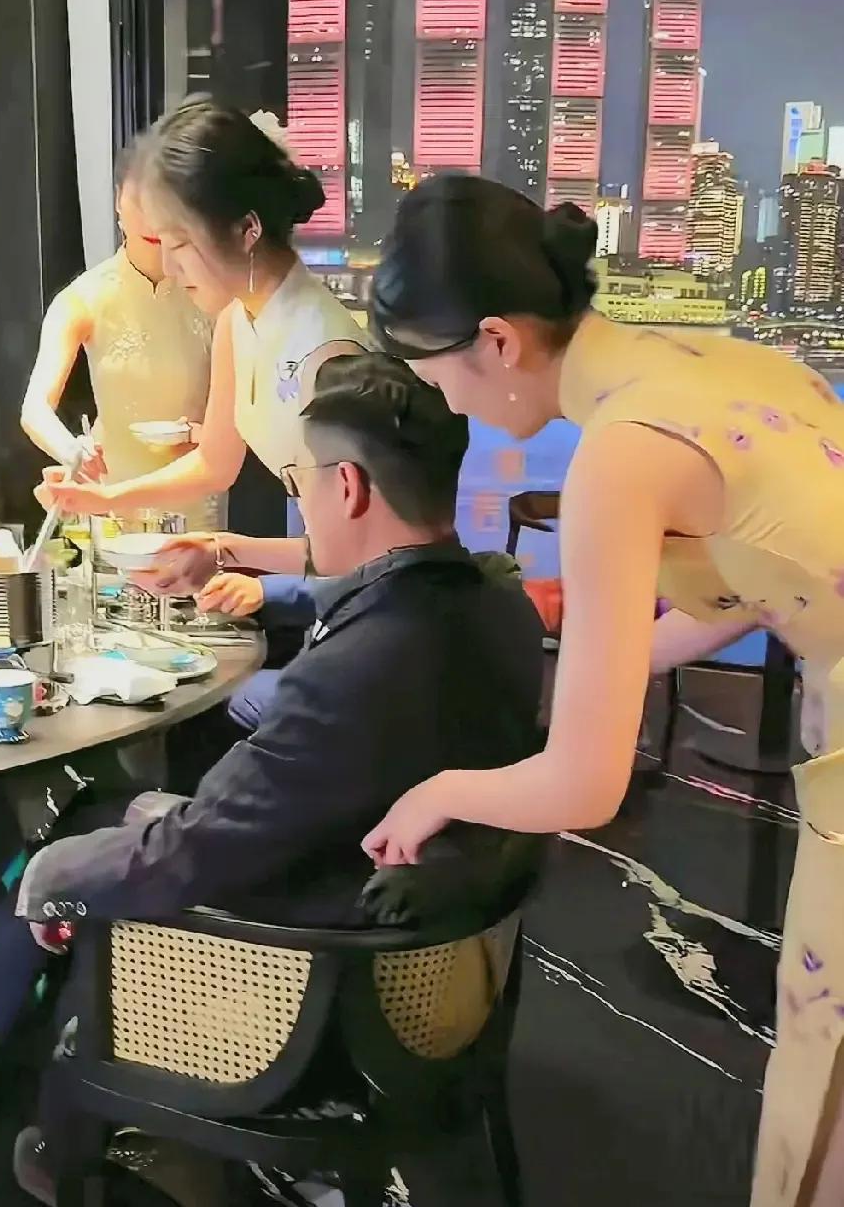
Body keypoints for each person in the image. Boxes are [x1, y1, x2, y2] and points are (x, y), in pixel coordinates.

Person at [359, 172, 844, 1207]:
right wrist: (605, 669)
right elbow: (764, 579)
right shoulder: (721, 362)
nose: (446, 403)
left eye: (436, 374)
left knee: (832, 1068)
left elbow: (585, 788)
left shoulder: (621, 454)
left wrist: (439, 791)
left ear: (497, 342)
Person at [0, 355, 545, 1119]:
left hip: (312, 977)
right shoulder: (500, 604)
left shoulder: (350, 673)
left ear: (348, 487)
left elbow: (190, 852)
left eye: (300, 480)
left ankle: (22, 1099)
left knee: (72, 849)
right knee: (102, 816)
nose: (302, 500)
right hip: (429, 938)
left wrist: (47, 881)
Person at [40, 99, 369, 551]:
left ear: (247, 229)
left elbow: (362, 554)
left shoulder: (326, 355)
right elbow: (214, 463)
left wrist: (231, 560)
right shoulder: (237, 318)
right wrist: (103, 499)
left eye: (178, 244)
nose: (169, 269)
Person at [21, 143, 218, 530]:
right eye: (139, 201)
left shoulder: (213, 292)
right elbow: (35, 409)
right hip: (112, 502)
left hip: (196, 499)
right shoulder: (85, 297)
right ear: (117, 202)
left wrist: (205, 434)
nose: (151, 219)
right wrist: (72, 450)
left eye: (164, 203)